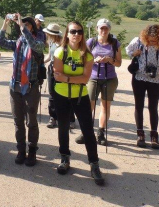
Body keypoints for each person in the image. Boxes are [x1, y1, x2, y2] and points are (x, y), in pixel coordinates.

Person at [52, 21, 104, 185]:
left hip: (80, 96)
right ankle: (64, 158)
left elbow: (85, 78)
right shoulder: (60, 52)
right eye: (73, 31)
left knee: (88, 131)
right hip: (61, 95)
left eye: (79, 32)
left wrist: (67, 79)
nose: (76, 34)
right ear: (67, 34)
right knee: (63, 128)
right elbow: (56, 75)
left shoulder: (87, 55)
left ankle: (94, 164)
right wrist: (74, 80)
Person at [0, 14, 45, 166]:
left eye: (28, 25)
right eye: (22, 25)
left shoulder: (38, 42)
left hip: (31, 87)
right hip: (15, 86)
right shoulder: (17, 43)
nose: (23, 27)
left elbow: (33, 44)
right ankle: (21, 150)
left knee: (31, 122)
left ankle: (32, 152)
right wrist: (5, 24)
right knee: (18, 122)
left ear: (33, 28)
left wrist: (23, 28)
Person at [75, 18, 122, 146]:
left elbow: (119, 63)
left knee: (105, 106)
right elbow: (81, 57)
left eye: (106, 28)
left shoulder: (115, 43)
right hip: (93, 77)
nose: (104, 30)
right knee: (88, 106)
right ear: (97, 29)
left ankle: (101, 132)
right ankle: (86, 132)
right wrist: (94, 60)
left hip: (110, 78)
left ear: (109, 29)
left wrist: (109, 60)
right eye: (101, 28)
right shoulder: (91, 42)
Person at [42, 23, 67, 129]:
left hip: (62, 69)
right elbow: (49, 56)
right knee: (52, 93)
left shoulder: (64, 43)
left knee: (64, 93)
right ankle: (53, 117)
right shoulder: (51, 42)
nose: (46, 35)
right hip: (52, 68)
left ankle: (68, 118)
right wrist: (41, 62)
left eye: (48, 33)